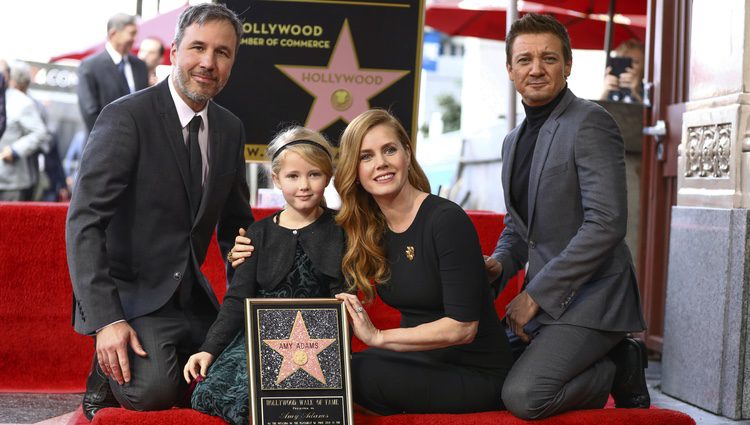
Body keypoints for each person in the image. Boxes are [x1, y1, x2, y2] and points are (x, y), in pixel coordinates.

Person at [66, 4, 253, 420]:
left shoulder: (230, 128)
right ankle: (102, 374)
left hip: (194, 296)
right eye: (198, 48)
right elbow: (85, 221)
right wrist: (107, 321)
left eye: (222, 53)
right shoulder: (125, 116)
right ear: (173, 51)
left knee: (244, 377)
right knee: (156, 392)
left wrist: (247, 306)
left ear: (232, 63)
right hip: (133, 298)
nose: (208, 62)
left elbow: (237, 226)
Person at [483, 13, 648, 420]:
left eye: (549, 58)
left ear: (568, 65)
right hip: (549, 301)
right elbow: (518, 229)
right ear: (509, 69)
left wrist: (535, 295)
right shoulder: (512, 142)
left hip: (595, 298)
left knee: (523, 396)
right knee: (483, 382)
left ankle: (614, 366)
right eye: (524, 60)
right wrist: (497, 267)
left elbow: (606, 223)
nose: (536, 69)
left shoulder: (590, 122)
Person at [333, 109, 513, 414]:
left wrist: (378, 337)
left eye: (389, 149)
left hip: (476, 373)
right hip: (419, 363)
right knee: (332, 367)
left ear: (407, 152)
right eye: (366, 156)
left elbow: (463, 327)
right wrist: (247, 249)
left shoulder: (445, 220)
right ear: (355, 171)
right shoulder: (371, 228)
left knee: (354, 374)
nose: (381, 164)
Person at [184, 127, 345, 425]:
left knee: (303, 401)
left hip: (318, 345)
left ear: (328, 176)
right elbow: (235, 301)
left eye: (314, 174)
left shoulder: (341, 231)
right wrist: (208, 349)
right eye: (293, 176)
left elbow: (345, 298)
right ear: (276, 179)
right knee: (232, 395)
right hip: (258, 341)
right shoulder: (257, 234)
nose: (304, 186)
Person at [77, 13, 149, 133]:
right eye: (131, 33)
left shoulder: (140, 66)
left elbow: (145, 104)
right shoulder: (90, 66)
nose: (134, 39)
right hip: (103, 143)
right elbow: (90, 113)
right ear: (113, 34)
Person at [0, 59, 47, 201]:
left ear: (8, 77)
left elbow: (40, 132)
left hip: (10, 183)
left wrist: (15, 150)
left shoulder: (21, 102)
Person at [600, 38, 645, 103]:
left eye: (635, 61)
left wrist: (636, 90)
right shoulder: (612, 88)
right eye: (624, 62)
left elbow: (650, 111)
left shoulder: (649, 90)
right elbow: (598, 111)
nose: (629, 66)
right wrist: (605, 91)